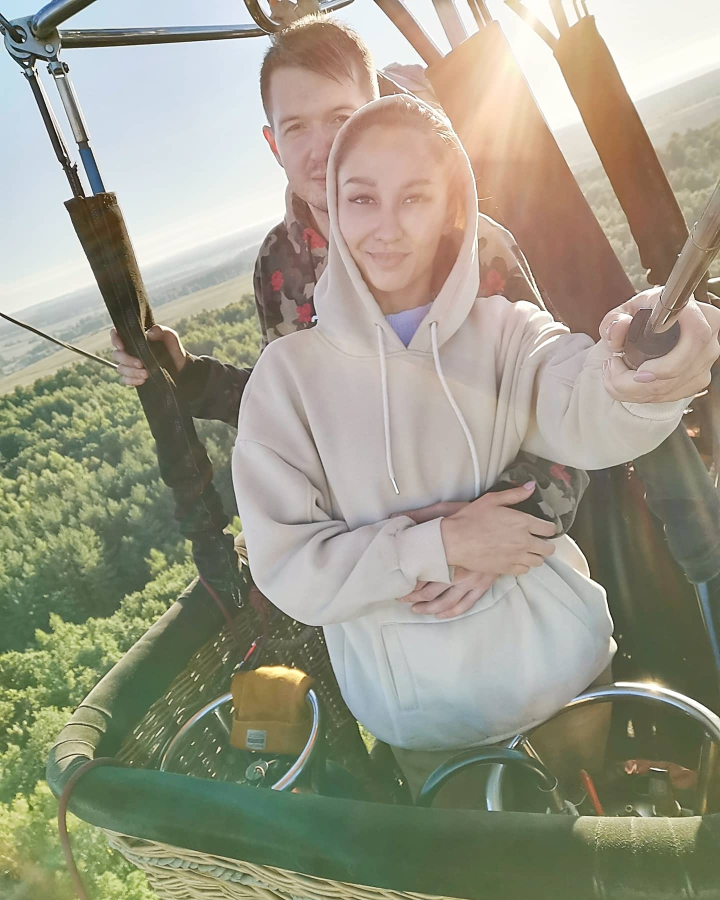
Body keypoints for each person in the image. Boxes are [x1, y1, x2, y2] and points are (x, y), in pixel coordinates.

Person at [231, 95, 720, 804]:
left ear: (453, 208)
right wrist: (441, 544)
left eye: (416, 198)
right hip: (429, 732)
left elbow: (588, 405)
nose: (388, 227)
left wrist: (647, 369)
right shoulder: (287, 381)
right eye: (362, 199)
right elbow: (289, 566)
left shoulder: (509, 332)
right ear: (332, 210)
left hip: (566, 687)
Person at [110, 15, 589, 619]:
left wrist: (500, 535)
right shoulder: (279, 266)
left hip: (512, 567)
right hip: (385, 584)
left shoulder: (468, 241)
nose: (324, 148)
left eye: (342, 119)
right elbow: (300, 419)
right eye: (297, 127)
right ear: (272, 143)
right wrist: (189, 375)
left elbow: (554, 403)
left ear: (377, 112)